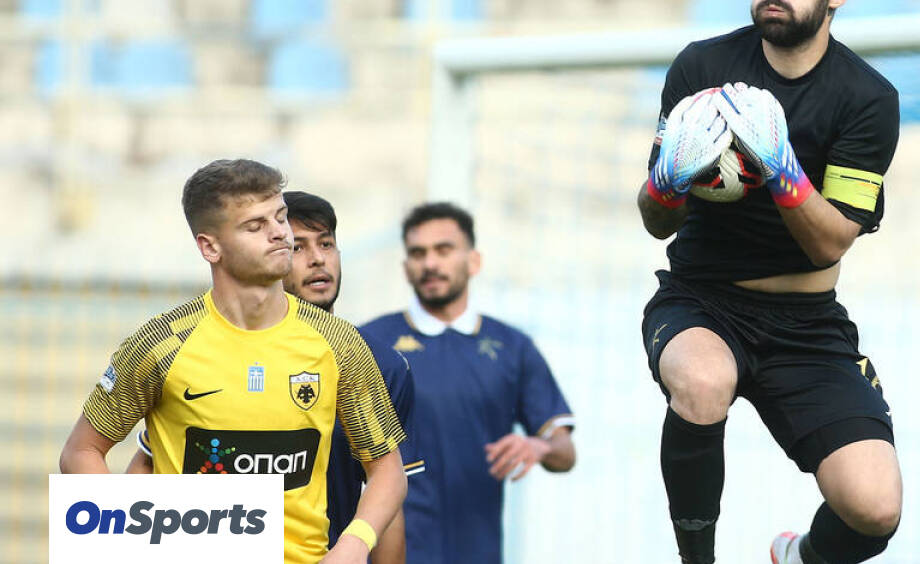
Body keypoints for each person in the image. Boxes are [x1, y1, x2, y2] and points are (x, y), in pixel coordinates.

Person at [636, 0, 903, 563]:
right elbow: (655, 222)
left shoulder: (867, 98)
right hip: (700, 302)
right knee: (703, 381)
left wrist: (782, 168)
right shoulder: (700, 69)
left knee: (875, 509)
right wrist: (666, 182)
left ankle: (797, 556)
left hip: (807, 325)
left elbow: (830, 243)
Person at [59, 159, 407, 564]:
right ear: (210, 247)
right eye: (255, 226)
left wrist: (354, 544)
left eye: (280, 217)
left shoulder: (338, 342)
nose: (280, 233)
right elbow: (80, 452)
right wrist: (132, 540)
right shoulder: (161, 343)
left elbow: (387, 470)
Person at [358, 202, 577, 564]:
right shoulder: (369, 343)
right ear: (406, 267)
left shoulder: (512, 347)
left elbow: (565, 452)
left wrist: (538, 446)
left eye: (443, 250)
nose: (430, 263)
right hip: (391, 553)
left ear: (474, 261)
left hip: (480, 552)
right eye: (418, 253)